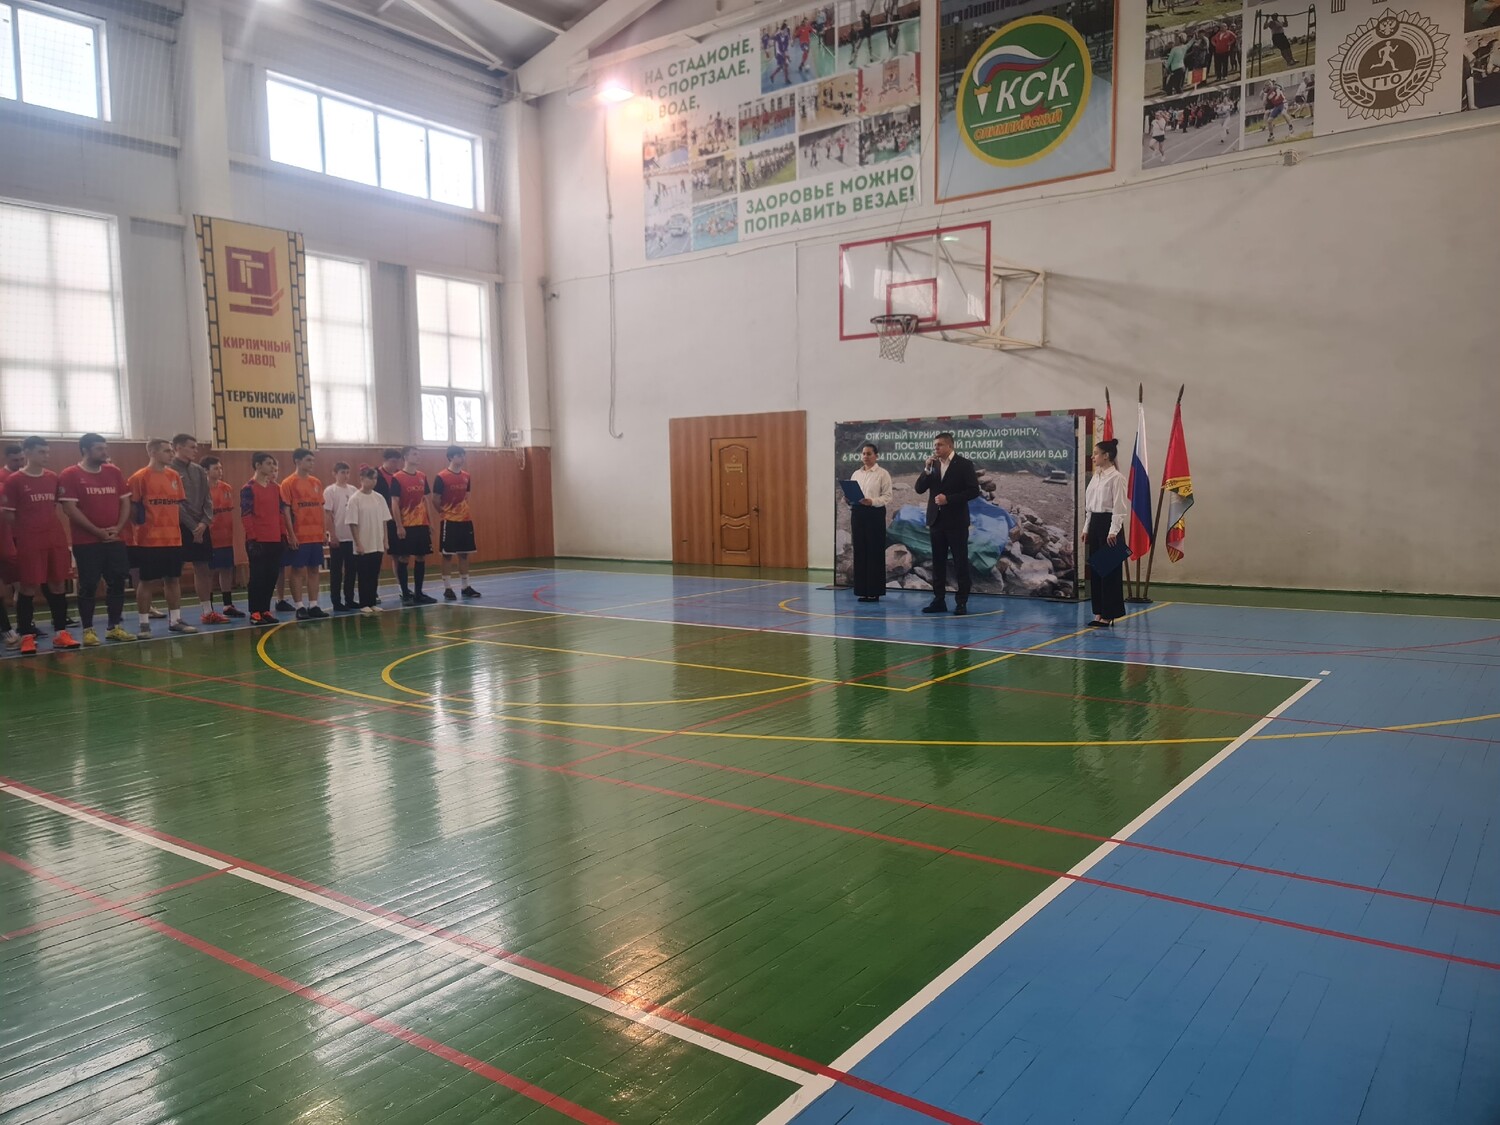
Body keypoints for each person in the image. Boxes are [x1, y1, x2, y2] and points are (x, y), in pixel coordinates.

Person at [1, 436, 79, 653]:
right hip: (30, 541)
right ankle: (27, 635)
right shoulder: (14, 481)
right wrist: (28, 530)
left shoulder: (53, 477)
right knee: (28, 587)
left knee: (57, 584)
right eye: (41, 452)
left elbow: (55, 507)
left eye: (47, 452)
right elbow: (9, 516)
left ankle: (61, 633)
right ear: (27, 452)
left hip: (54, 539)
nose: (46, 456)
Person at [58, 433, 132, 645]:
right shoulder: (70, 474)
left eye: (105, 448)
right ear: (85, 450)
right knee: (89, 584)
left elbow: (125, 502)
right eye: (99, 449)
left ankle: (114, 627)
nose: (104, 452)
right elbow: (70, 509)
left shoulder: (113, 471)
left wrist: (118, 528)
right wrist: (97, 531)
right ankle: (88, 630)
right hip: (87, 542)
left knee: (117, 581)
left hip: (115, 540)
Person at [127, 439, 196, 637]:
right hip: (149, 540)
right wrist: (140, 529)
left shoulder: (174, 476)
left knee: (173, 579)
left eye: (171, 451)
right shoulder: (139, 478)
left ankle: (175, 620)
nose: (171, 454)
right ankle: (144, 624)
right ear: (152, 452)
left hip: (173, 538)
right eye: (166, 451)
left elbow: (178, 505)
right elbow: (132, 508)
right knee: (147, 581)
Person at [913, 432, 980, 615]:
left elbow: (973, 491)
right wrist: (926, 470)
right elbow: (919, 489)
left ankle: (961, 602)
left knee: (960, 562)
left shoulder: (964, 464)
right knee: (938, 563)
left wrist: (948, 499)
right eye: (935, 445)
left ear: (950, 446)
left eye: (940, 445)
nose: (936, 448)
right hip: (936, 521)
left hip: (956, 522)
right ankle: (939, 600)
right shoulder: (933, 465)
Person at [169, 434, 221, 626]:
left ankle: (208, 611)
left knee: (203, 568)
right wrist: (192, 526)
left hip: (201, 525)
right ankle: (175, 617)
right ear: (178, 447)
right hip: (180, 526)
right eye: (191, 447)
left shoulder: (199, 470)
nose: (195, 450)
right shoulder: (169, 470)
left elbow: (208, 499)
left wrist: (204, 523)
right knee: (175, 571)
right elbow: (175, 502)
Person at [241, 452, 294, 625]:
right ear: (258, 465)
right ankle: (255, 612)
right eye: (268, 463)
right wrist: (252, 539)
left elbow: (280, 514)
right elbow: (246, 515)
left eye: (273, 464)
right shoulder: (248, 488)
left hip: (275, 540)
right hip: (258, 541)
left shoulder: (276, 488)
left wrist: (283, 535)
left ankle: (265, 610)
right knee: (257, 577)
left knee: (271, 576)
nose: (272, 467)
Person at [1080, 438, 1128, 626]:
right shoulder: (1096, 477)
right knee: (1096, 570)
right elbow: (1090, 507)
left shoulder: (1117, 478)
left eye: (1096, 454)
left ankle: (1110, 613)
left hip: (1110, 525)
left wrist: (1113, 531)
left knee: (1109, 571)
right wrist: (1086, 528)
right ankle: (1099, 612)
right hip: (1096, 524)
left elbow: (1119, 507)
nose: (1093, 457)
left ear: (1106, 455)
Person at [280, 448, 327, 619]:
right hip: (299, 534)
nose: (312, 463)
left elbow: (321, 508)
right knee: (297, 570)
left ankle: (313, 605)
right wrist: (291, 534)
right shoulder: (288, 483)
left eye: (313, 460)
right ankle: (299, 606)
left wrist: (323, 531)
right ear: (297, 461)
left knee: (314, 569)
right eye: (308, 460)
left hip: (315, 534)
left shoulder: (316, 482)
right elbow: (286, 511)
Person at [390, 446, 437, 605]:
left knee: (421, 556)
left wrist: (430, 522)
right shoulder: (397, 478)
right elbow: (394, 503)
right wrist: (399, 525)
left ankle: (419, 593)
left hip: (421, 524)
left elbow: (426, 500)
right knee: (404, 557)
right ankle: (405, 593)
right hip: (406, 524)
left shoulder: (422, 476)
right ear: (405, 457)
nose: (418, 457)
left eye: (419, 454)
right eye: (414, 454)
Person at [434, 445, 480, 600]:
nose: (462, 458)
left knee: (464, 554)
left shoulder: (466, 476)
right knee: (447, 555)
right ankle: (447, 588)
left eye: (463, 455)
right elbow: (435, 499)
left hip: (465, 520)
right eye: (459, 455)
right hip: (449, 521)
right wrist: (445, 513)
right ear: (450, 457)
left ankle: (465, 586)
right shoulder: (441, 477)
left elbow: (467, 496)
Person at [848, 442, 892, 602]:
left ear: (876, 456)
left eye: (869, 454)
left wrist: (871, 501)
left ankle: (874, 591)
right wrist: (848, 498)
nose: (865, 456)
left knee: (874, 551)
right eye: (863, 454)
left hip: (874, 513)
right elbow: (852, 495)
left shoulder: (883, 474)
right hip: (857, 513)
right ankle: (862, 590)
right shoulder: (856, 474)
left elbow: (887, 496)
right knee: (860, 550)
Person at [201, 456, 244, 617]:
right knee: (208, 573)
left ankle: (227, 605)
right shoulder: (201, 490)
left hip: (226, 536)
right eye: (216, 468)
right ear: (206, 471)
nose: (220, 471)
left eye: (220, 468)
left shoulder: (227, 488)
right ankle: (209, 608)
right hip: (209, 538)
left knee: (226, 569)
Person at [344, 468, 390, 615]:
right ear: (362, 479)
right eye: (370, 478)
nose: (373, 481)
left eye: (375, 478)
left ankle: (372, 602)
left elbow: (384, 521)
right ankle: (364, 603)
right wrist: (358, 543)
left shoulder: (379, 498)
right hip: (363, 543)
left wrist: (385, 540)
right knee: (364, 575)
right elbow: (352, 523)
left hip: (377, 542)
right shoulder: (355, 499)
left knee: (374, 574)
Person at [323, 462, 357, 613]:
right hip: (338, 537)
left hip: (352, 537)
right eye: (343, 472)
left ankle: (349, 598)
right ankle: (336, 601)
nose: (346, 475)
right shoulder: (330, 491)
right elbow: (327, 514)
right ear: (335, 473)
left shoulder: (353, 490)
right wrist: (332, 535)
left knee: (351, 570)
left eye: (347, 472)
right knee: (336, 571)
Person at [373, 447, 405, 603]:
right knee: (376, 556)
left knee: (397, 555)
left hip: (395, 520)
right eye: (393, 461)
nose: (395, 465)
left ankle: (402, 588)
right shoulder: (375, 475)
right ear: (385, 461)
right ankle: (373, 590)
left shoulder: (400, 475)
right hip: (378, 520)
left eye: (397, 462)